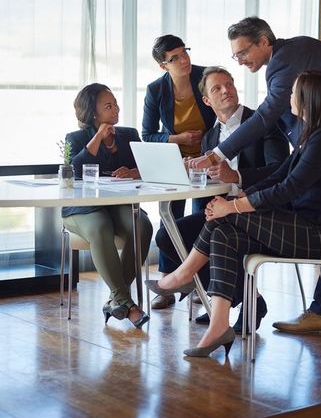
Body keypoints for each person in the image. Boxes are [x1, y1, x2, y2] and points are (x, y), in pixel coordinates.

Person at [191, 17, 321, 331]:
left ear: (264, 42)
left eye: (243, 52)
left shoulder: (287, 58)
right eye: (236, 55)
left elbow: (266, 116)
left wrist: (218, 153)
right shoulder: (286, 57)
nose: (240, 60)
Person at [147, 70, 321, 357]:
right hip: (302, 226)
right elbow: (280, 177)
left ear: (309, 99)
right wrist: (241, 195)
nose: (289, 98)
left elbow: (288, 188)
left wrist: (232, 205)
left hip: (318, 235)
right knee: (223, 231)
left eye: (294, 93)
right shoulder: (313, 136)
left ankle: (182, 274)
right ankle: (219, 323)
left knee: (223, 218)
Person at [152, 66, 289, 329]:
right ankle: (243, 298)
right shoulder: (210, 137)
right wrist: (192, 170)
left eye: (229, 84)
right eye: (217, 88)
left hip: (258, 209)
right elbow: (210, 184)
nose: (226, 90)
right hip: (224, 212)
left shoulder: (263, 123)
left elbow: (281, 171)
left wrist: (236, 175)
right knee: (168, 235)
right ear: (206, 100)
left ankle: (225, 302)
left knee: (215, 236)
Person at [63, 83, 152, 328]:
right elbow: (74, 171)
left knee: (142, 226)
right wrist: (98, 137)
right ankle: (126, 302)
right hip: (82, 209)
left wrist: (133, 172)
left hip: (118, 205)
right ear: (93, 113)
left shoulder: (129, 134)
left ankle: (115, 300)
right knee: (100, 226)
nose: (116, 109)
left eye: (116, 104)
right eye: (108, 106)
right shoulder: (76, 138)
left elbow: (148, 166)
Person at [141, 35, 215, 310]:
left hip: (208, 160)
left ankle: (201, 283)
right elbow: (147, 134)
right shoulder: (156, 90)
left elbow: (223, 114)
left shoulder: (205, 77)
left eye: (185, 53)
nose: (184, 60)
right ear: (163, 66)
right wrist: (178, 139)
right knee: (170, 218)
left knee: (202, 219)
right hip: (175, 163)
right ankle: (167, 283)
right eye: (175, 58)